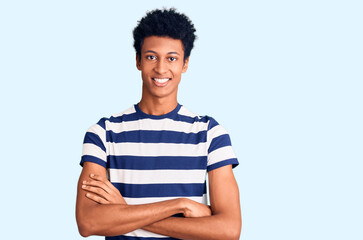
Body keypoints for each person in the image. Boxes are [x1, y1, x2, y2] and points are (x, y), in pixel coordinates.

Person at [75, 8, 241, 240]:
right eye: (151, 56)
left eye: (171, 58)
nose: (161, 69)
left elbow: (228, 230)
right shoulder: (103, 134)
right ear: (138, 61)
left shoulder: (210, 134)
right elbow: (88, 222)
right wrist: (180, 205)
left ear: (185, 64)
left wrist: (124, 212)